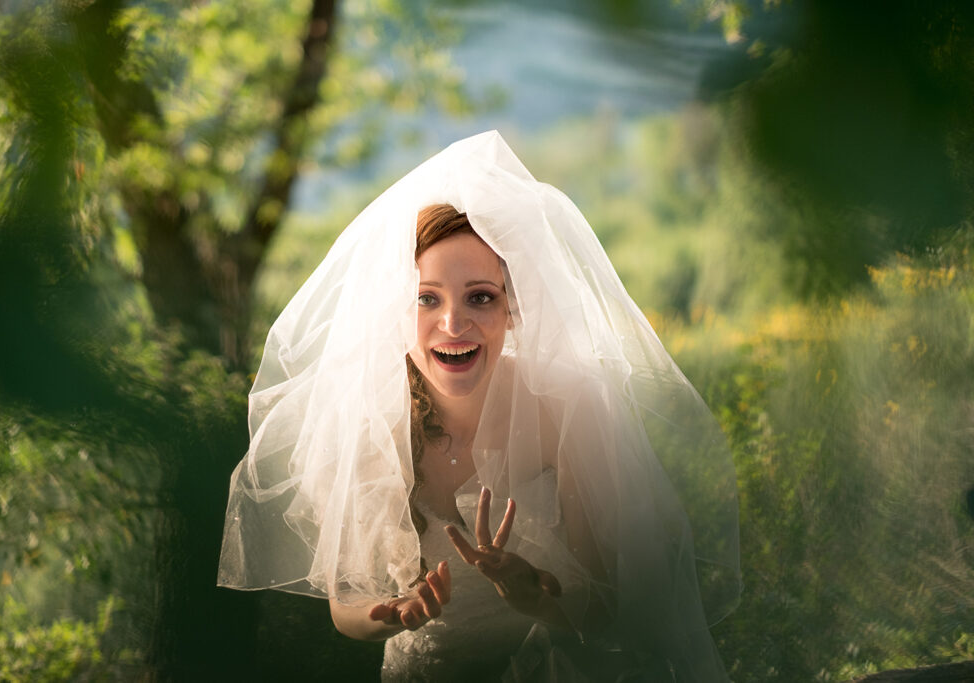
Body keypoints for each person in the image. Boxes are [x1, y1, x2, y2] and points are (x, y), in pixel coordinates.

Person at [218, 131, 741, 681]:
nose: (452, 324)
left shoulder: (564, 409)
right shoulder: (368, 424)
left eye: (480, 297)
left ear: (513, 308)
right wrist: (394, 614)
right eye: (427, 298)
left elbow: (611, 604)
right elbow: (346, 613)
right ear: (396, 310)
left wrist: (536, 598)